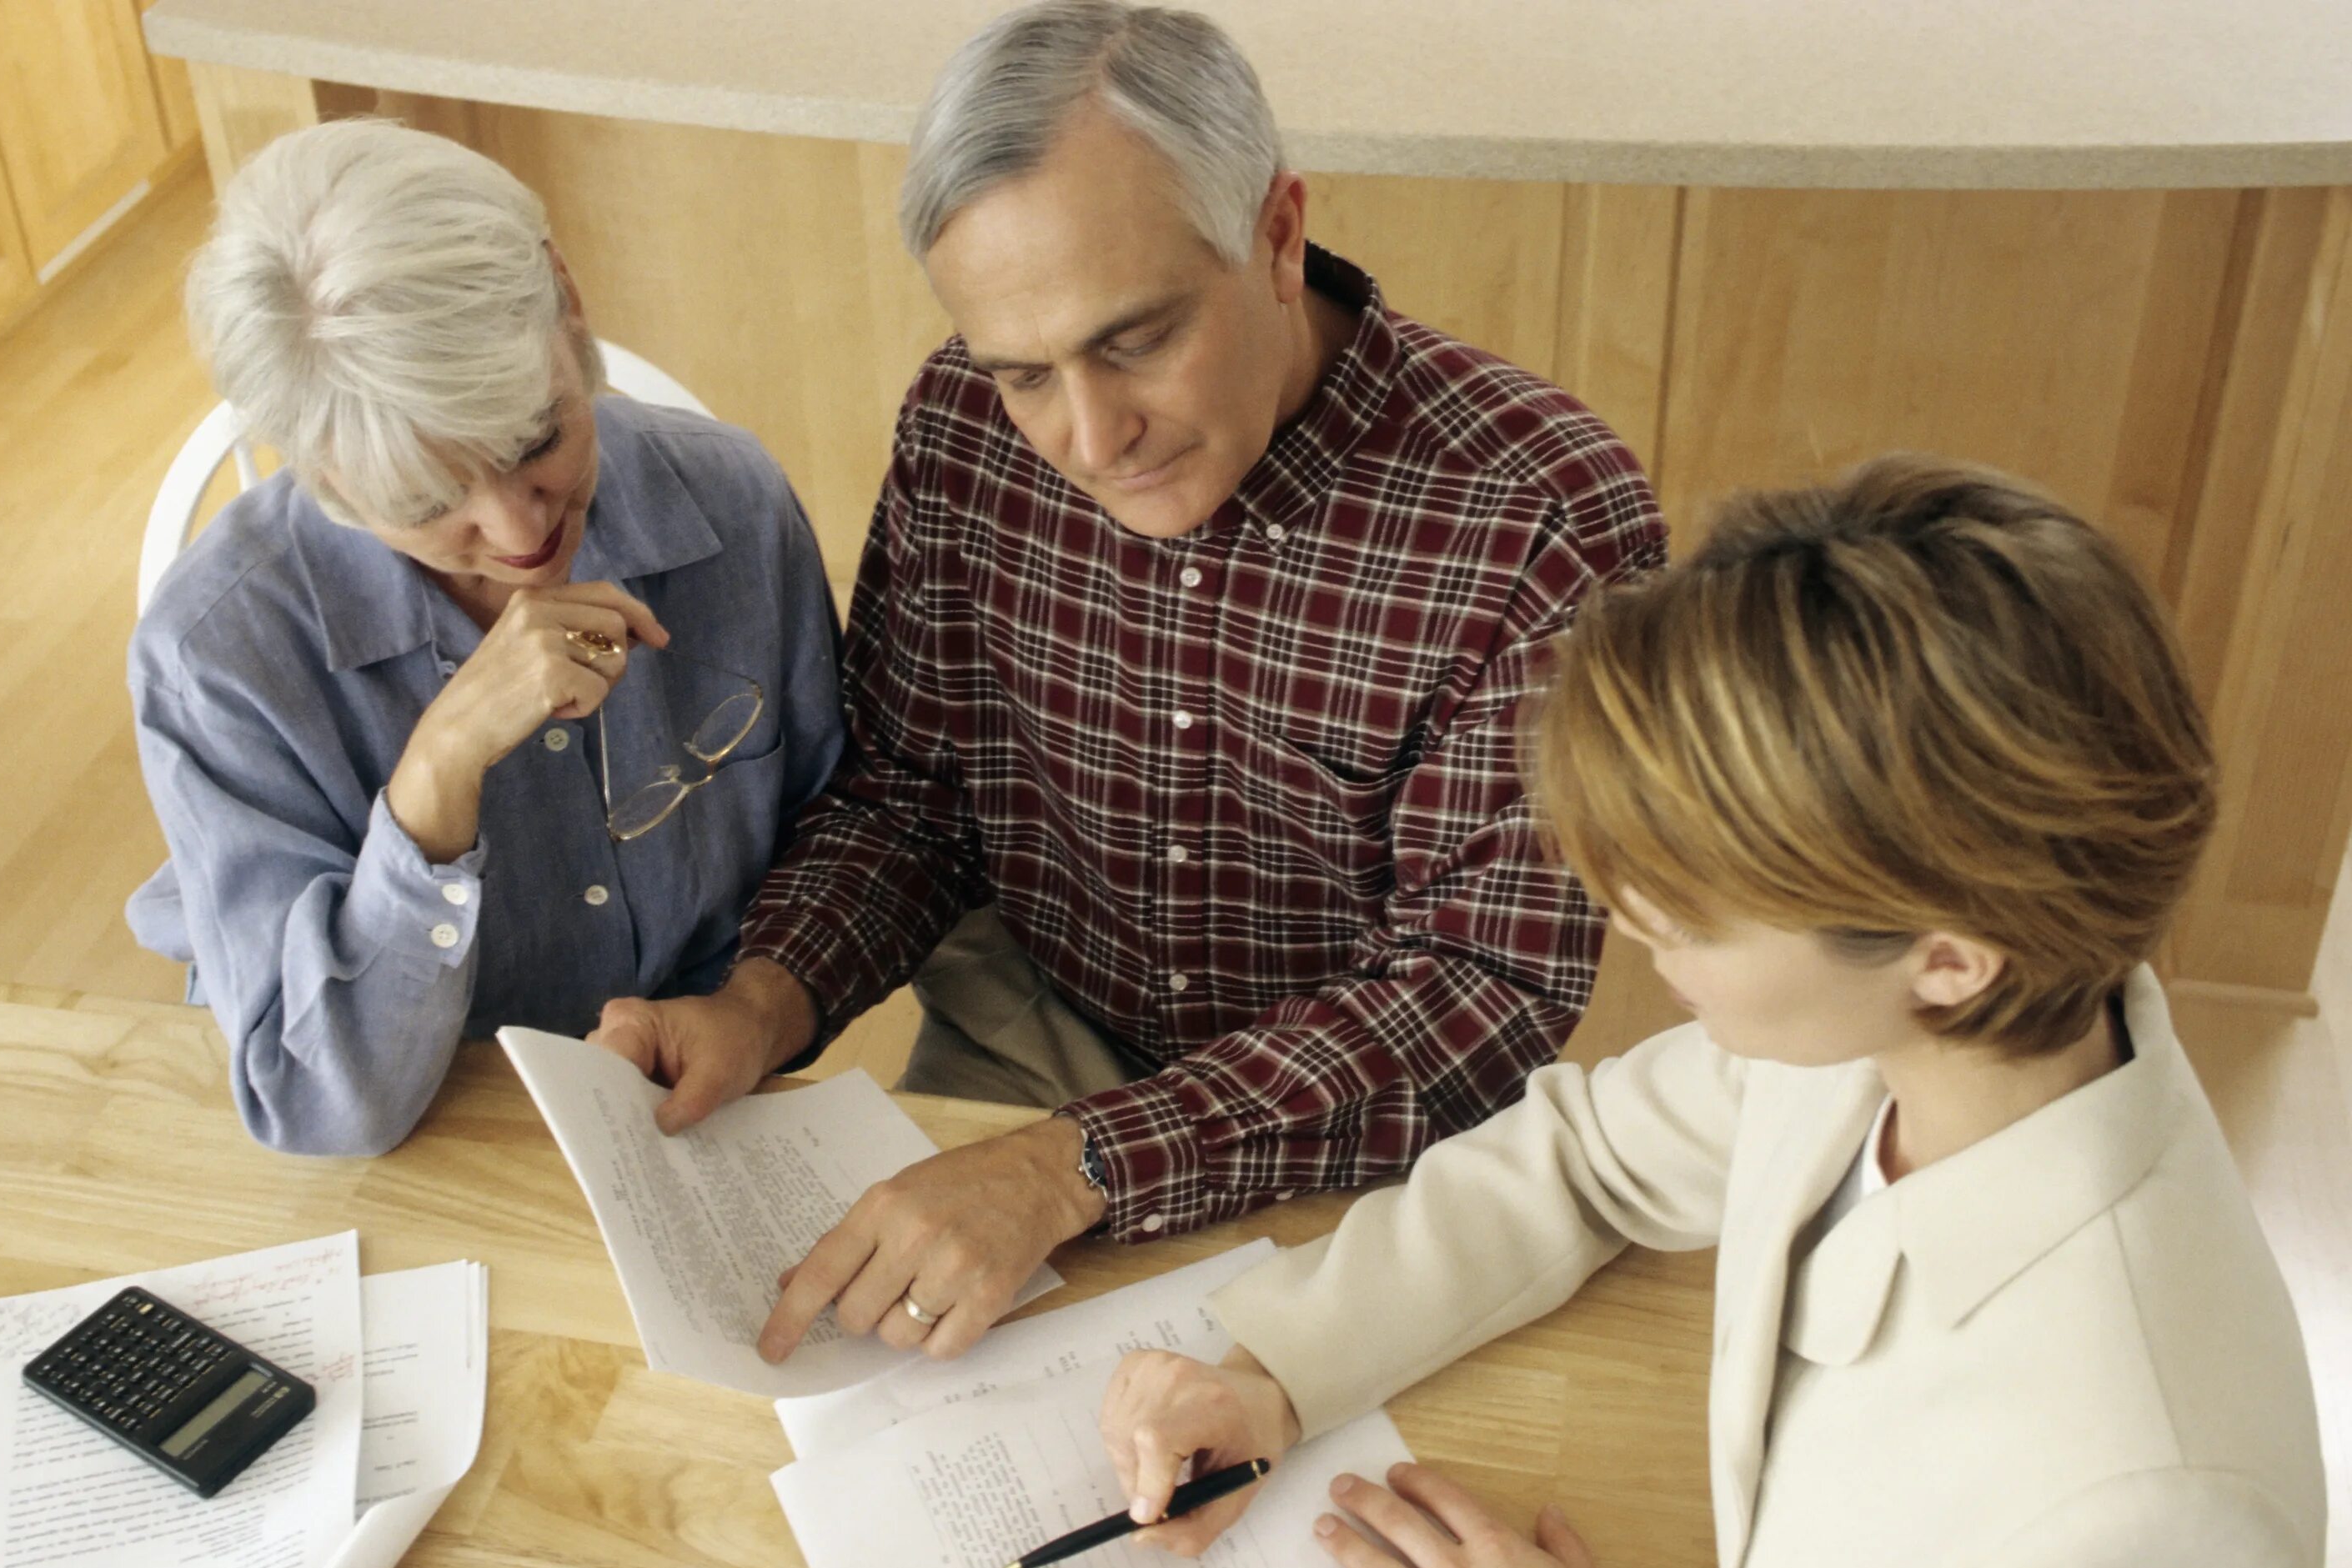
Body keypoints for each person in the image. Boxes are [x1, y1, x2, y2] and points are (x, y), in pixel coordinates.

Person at [1096, 456, 2328, 1568]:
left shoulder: (2159, 1508)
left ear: (1948, 959)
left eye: (1689, 907)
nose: (1629, 924)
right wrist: (1274, 1378)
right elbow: (1588, 1159)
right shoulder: (1901, 1045)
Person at [593, 0, 1664, 1362]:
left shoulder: (1540, 520)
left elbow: (1475, 996)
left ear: (1277, 234)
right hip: (1025, 1028)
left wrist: (1069, 1167)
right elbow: (913, 799)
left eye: (1136, 338)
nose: (1092, 439)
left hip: (1364, 1135)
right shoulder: (964, 421)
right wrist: (766, 997)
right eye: (1028, 373)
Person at [128, 120, 843, 1154]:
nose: (522, 533)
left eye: (536, 438)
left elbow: (841, 831)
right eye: (424, 499)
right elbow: (319, 1110)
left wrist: (756, 1010)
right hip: (421, 1130)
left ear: (569, 303)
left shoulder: (730, 502)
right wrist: (435, 785)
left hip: (697, 1109)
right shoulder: (217, 655)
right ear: (324, 476)